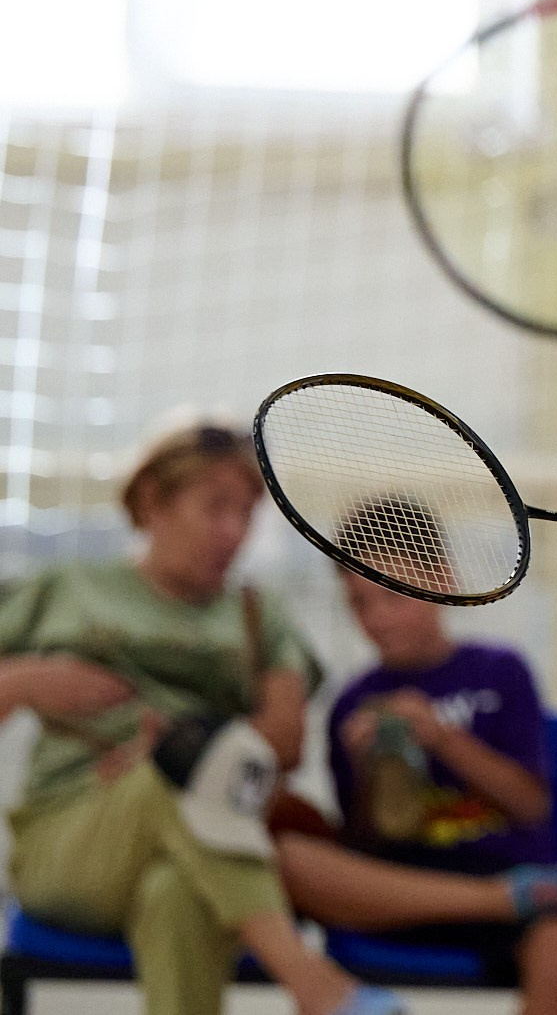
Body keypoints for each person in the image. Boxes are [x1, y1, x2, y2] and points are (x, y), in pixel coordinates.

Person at [0, 417, 403, 1015]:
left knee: (176, 891)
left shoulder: (257, 616)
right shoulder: (66, 589)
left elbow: (287, 743)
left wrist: (178, 745)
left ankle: (315, 988)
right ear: (152, 502)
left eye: (246, 514)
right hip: (69, 840)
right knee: (184, 769)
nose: (233, 532)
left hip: (197, 839)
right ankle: (314, 985)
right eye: (215, 509)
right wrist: (25, 680)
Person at [272, 500, 557, 1015]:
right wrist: (368, 774)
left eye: (393, 596)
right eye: (359, 602)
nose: (375, 618)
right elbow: (363, 846)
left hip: (506, 870)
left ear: (442, 579)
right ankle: (505, 899)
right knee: (287, 858)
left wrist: (443, 739)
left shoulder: (501, 671)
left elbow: (531, 806)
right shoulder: (351, 704)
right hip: (405, 887)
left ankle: (510, 898)